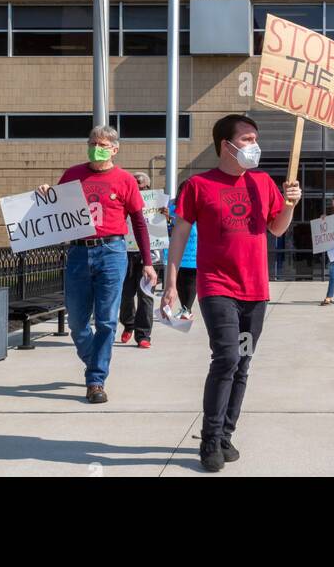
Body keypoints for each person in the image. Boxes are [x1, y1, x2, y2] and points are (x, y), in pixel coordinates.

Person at [162, 114, 301, 472]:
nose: (254, 145)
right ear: (226, 145)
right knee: (226, 357)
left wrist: (289, 204)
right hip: (218, 288)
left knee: (243, 362)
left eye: (256, 138)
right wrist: (171, 281)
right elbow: (179, 233)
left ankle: (226, 434)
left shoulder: (263, 182)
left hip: (255, 292)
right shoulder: (198, 185)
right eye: (247, 138)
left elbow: (276, 230)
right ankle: (209, 439)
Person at [37, 125, 156, 404]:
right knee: (77, 323)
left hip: (112, 251)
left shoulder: (125, 180)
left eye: (102, 144)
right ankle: (95, 361)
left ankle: (96, 380)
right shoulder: (73, 175)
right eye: (92, 142)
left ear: (114, 149)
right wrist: (46, 192)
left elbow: (139, 223)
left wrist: (148, 262)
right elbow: (56, 208)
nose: (95, 147)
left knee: (105, 320)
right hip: (79, 253)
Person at [119, 171, 161, 349]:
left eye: (142, 186)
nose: (138, 188)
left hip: (150, 255)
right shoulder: (123, 199)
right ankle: (129, 323)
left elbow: (168, 229)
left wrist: (165, 217)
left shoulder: (156, 203)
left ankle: (143, 335)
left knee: (146, 296)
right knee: (125, 295)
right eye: (135, 185)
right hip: (126, 252)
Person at [168, 186, 197, 318]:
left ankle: (188, 308)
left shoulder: (196, 205)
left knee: (190, 280)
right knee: (179, 281)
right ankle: (184, 307)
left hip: (193, 247)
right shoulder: (172, 206)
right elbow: (169, 225)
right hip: (178, 248)